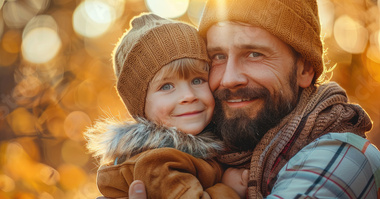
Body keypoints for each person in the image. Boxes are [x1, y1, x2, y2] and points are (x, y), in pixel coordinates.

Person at [125, 0, 380, 198]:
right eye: (217, 56)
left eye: (255, 54)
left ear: (304, 70)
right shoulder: (183, 158)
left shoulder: (342, 156)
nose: (229, 79)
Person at [85, 13, 248, 199]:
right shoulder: (158, 161)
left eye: (197, 80)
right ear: (140, 106)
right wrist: (229, 190)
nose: (188, 96)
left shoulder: (203, 145)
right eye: (166, 86)